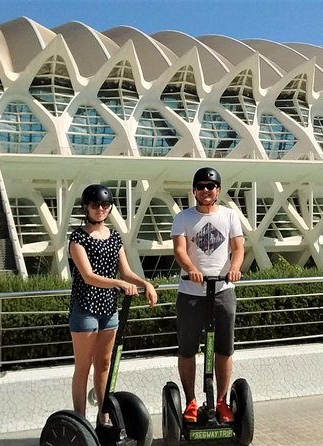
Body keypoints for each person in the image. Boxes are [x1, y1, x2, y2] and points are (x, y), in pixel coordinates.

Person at [68, 184, 158, 422]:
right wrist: (118, 284)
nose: (100, 209)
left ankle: (103, 416)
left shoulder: (114, 236)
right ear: (86, 207)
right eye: (95, 205)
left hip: (109, 309)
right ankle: (80, 421)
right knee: (83, 367)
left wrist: (145, 283)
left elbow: (126, 271)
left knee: (105, 364)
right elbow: (88, 276)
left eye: (105, 205)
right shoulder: (78, 238)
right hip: (85, 308)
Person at [170, 167, 244, 423]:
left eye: (210, 187)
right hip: (191, 292)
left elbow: (238, 247)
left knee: (225, 349)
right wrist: (190, 269)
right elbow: (179, 249)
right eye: (200, 186)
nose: (205, 190)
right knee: (187, 349)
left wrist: (234, 268)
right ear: (194, 190)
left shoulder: (230, 215)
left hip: (223, 290)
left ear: (218, 190)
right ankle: (191, 401)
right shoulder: (183, 217)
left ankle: (221, 401)